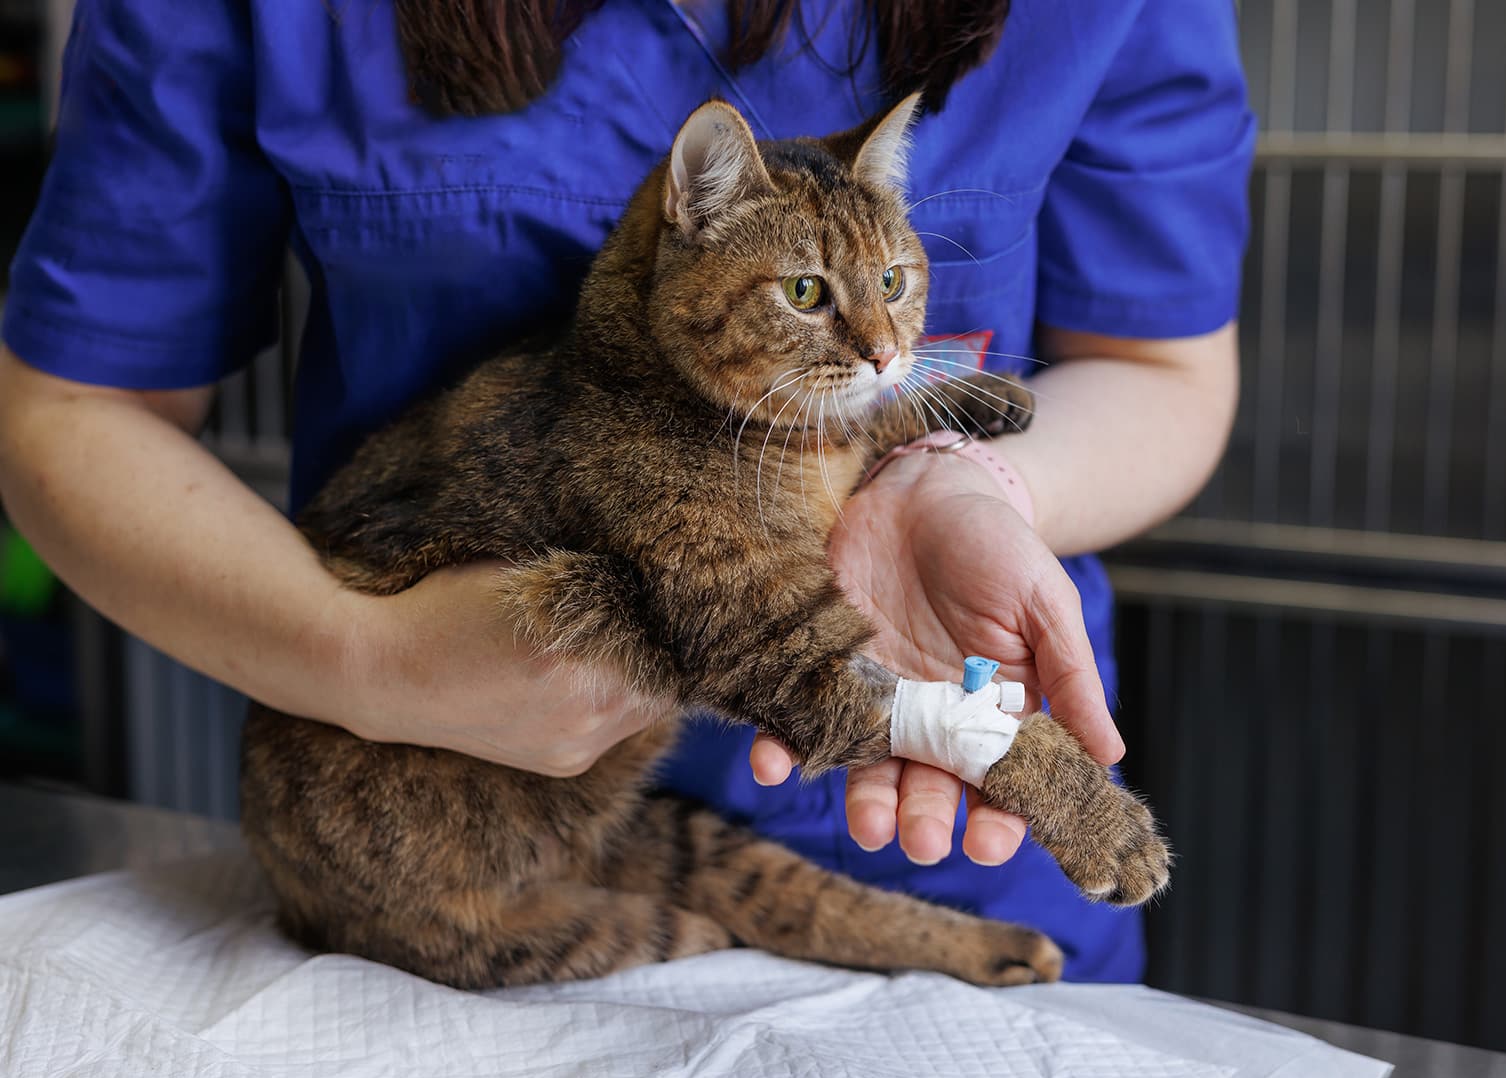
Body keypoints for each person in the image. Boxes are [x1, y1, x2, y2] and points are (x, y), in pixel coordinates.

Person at [0, 0, 1251, 982]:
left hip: (929, 826)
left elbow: (1163, 372)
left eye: (894, 297)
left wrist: (970, 477)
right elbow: (69, 406)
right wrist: (365, 662)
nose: (881, 347)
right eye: (820, 297)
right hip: (459, 829)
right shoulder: (636, 448)